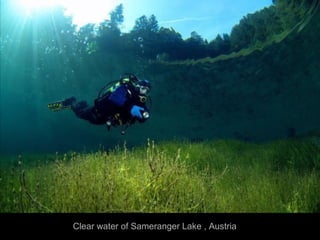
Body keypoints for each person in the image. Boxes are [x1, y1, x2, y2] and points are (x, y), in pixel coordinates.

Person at [48, 73, 151, 134]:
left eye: (147, 90)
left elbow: (142, 115)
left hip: (106, 119)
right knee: (80, 115)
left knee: (87, 115)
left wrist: (145, 115)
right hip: (98, 112)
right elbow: (114, 97)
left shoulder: (139, 100)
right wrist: (131, 107)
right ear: (137, 86)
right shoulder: (125, 88)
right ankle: (71, 103)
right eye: (142, 89)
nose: (144, 92)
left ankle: (81, 103)